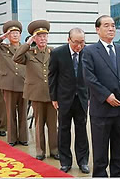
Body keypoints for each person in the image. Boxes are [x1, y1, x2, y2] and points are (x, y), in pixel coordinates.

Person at [82, 15, 120, 177]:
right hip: (102, 110)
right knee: (100, 152)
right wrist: (106, 95)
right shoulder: (89, 51)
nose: (111, 28)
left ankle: (119, 175)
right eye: (106, 25)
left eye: (113, 25)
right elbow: (89, 77)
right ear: (97, 30)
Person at [13, 20, 59, 161]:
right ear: (34, 38)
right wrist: (28, 44)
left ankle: (54, 149)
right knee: (39, 124)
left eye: (45, 36)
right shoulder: (29, 53)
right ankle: (40, 151)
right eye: (39, 36)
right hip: (36, 93)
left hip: (51, 94)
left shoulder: (54, 52)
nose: (43, 39)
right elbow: (16, 57)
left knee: (52, 124)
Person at [48, 28, 90, 173]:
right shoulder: (57, 53)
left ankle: (83, 161)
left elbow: (91, 77)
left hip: (82, 99)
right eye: (76, 43)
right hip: (64, 98)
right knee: (64, 130)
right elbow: (52, 77)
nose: (79, 46)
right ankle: (65, 162)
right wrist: (53, 97)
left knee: (82, 131)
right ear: (68, 40)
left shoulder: (88, 53)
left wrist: (90, 96)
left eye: (82, 42)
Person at [0, 21, 27, 145]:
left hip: (23, 83)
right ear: (8, 36)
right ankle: (12, 138)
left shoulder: (25, 48)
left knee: (23, 113)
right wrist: (1, 37)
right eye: (11, 33)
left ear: (20, 35)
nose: (14, 35)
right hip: (8, 84)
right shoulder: (2, 48)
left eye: (17, 33)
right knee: (10, 113)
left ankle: (23, 138)